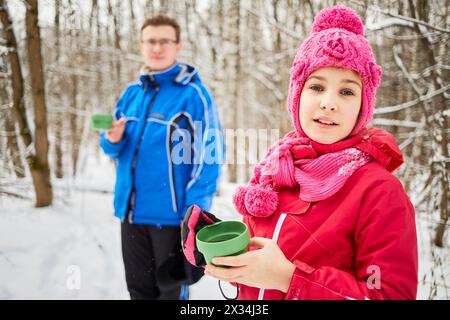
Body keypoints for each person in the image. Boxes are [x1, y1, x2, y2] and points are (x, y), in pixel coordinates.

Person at [203, 6, 418, 299]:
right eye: (317, 87)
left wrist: (289, 279)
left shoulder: (379, 191)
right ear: (297, 95)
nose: (329, 103)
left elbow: (389, 295)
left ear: (362, 106)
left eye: (346, 92)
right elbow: (258, 271)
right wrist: (224, 251)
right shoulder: (277, 169)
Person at [99, 14, 224, 300]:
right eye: (150, 41)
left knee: (170, 293)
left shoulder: (194, 95)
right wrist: (111, 140)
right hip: (130, 215)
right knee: (139, 292)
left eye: (164, 41)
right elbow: (113, 149)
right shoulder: (131, 94)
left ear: (178, 46)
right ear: (141, 46)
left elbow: (211, 154)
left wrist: (193, 212)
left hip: (171, 219)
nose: (157, 48)